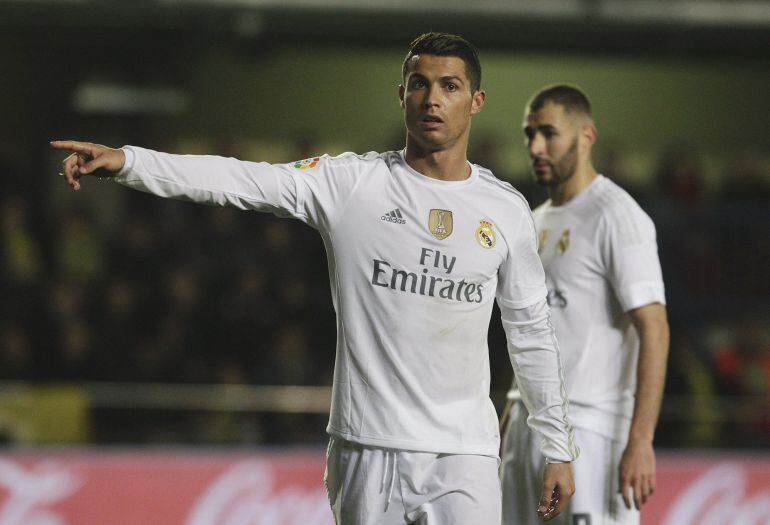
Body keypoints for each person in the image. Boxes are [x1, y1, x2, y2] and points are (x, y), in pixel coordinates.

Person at [53, 33, 578, 524]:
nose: (432, 99)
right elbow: (242, 180)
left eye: (449, 86)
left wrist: (556, 445)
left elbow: (531, 331)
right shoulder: (352, 184)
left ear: (477, 102)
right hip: (366, 447)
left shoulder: (505, 211)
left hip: (463, 451)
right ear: (401, 96)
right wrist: (129, 162)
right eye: (419, 84)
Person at [500, 85, 670, 525]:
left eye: (549, 133)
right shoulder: (530, 222)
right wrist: (513, 407)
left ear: (586, 135)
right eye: (529, 134)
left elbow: (655, 327)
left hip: (592, 432)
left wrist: (642, 439)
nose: (536, 146)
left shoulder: (617, 215)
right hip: (527, 428)